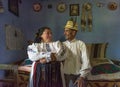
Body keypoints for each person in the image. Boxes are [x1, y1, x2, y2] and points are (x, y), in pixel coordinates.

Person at [62, 19, 91, 87]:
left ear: (74, 32)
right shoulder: (61, 45)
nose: (64, 33)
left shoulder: (81, 44)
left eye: (67, 31)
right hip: (64, 76)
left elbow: (86, 62)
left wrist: (82, 77)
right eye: (64, 31)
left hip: (78, 76)